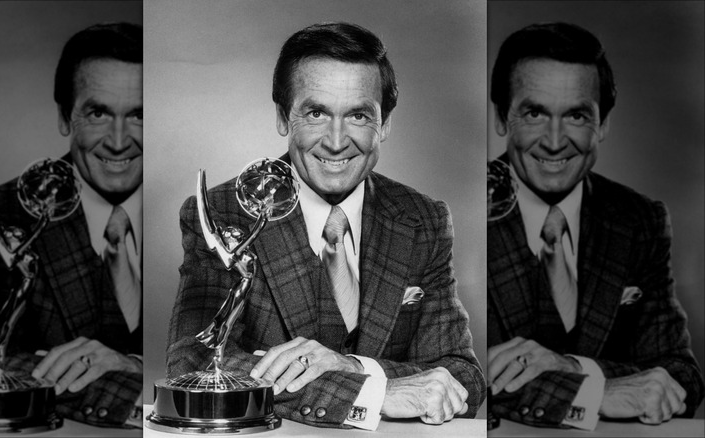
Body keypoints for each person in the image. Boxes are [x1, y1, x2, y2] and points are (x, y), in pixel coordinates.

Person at [167, 22, 485, 430]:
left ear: (384, 124)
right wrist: (372, 394)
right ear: (284, 117)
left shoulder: (424, 220)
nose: (336, 141)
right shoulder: (222, 212)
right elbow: (194, 361)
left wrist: (350, 365)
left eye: (358, 115)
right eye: (316, 113)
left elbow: (461, 376)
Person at [487, 22, 704, 429]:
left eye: (576, 115)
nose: (554, 141)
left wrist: (571, 366)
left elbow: (679, 374)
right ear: (502, 117)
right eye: (534, 112)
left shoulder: (640, 220)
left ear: (602, 124)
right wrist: (594, 393)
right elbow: (469, 375)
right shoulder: (457, 212)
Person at [0, 22, 144, 428]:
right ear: (64, 116)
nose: (119, 140)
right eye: (97, 112)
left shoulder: (198, 212)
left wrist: (137, 365)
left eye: (141, 115)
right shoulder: (3, 212)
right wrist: (137, 392)